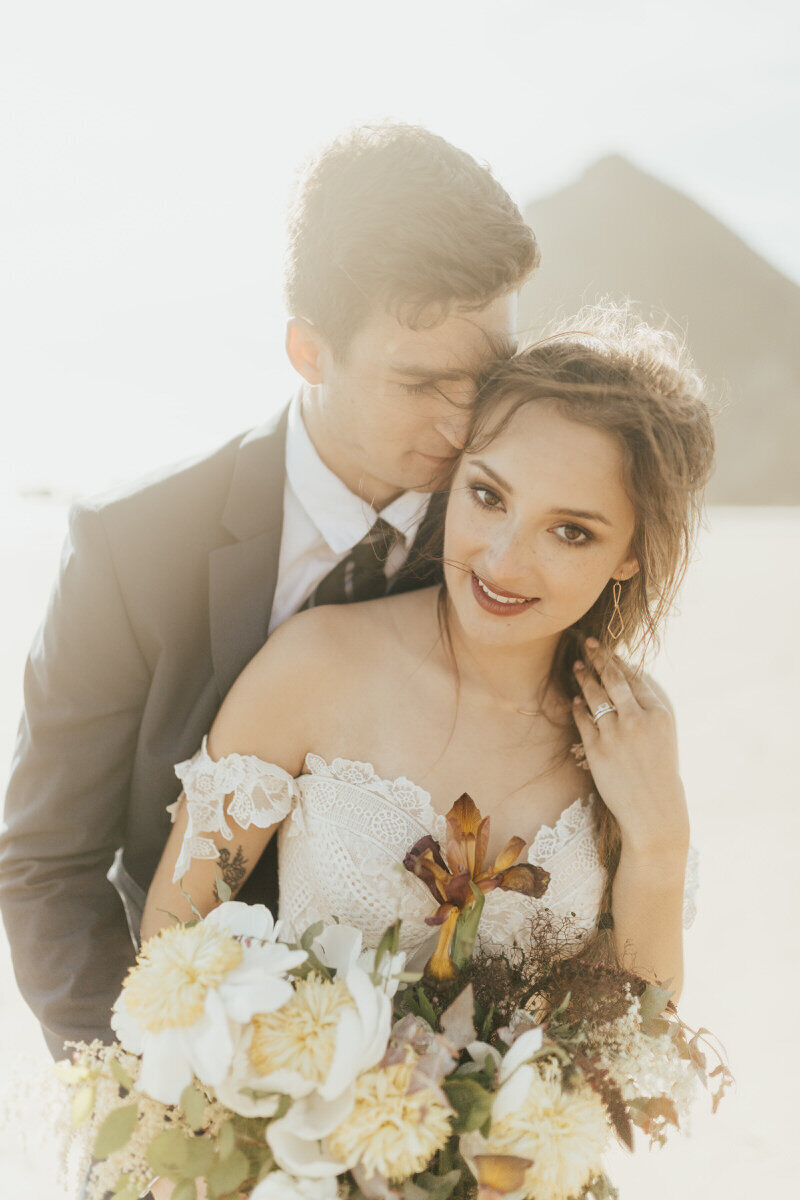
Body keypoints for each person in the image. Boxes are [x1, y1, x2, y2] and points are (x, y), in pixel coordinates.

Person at [0, 122, 538, 1059]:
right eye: (419, 381)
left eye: (488, 376)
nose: (464, 427)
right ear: (308, 350)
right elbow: (49, 862)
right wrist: (137, 1083)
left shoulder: (516, 551)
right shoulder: (133, 545)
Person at [143, 303, 715, 1014]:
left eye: (570, 532)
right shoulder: (314, 663)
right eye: (488, 495)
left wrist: (660, 844)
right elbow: (171, 957)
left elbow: (641, 1034)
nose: (503, 562)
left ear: (630, 553)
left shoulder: (631, 735)